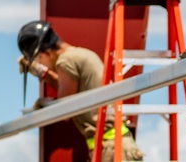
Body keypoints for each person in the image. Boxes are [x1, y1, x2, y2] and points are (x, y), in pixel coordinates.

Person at [18, 20, 145, 161]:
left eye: (38, 61)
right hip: (115, 144)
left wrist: (43, 104)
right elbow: (72, 93)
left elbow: (64, 110)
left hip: (112, 148)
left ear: (44, 54)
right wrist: (43, 73)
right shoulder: (79, 54)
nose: (40, 64)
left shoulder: (66, 61)